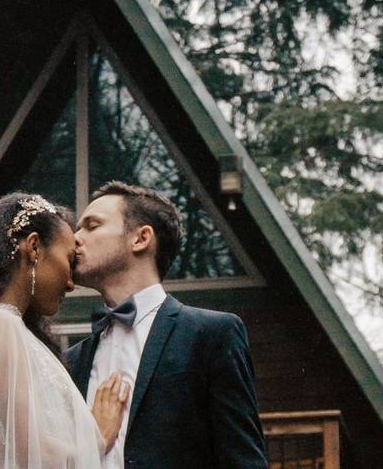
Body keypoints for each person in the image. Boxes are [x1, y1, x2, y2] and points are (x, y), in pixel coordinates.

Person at [67, 181, 268, 469]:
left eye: (92, 225)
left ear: (141, 238)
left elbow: (244, 460)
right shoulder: (71, 362)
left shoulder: (211, 334)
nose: (75, 238)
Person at [0, 192, 130, 468]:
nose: (71, 283)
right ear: (34, 247)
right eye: (69, 262)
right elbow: (36, 454)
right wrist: (99, 437)